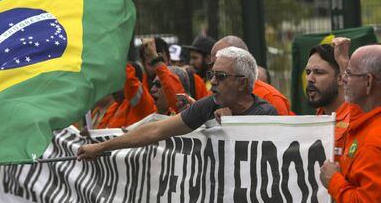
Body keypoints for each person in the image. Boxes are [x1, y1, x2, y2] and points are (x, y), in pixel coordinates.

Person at [77, 46, 277, 159]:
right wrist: (100, 148)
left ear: (242, 83)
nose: (213, 81)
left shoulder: (267, 115)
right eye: (211, 75)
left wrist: (233, 128)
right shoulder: (210, 105)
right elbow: (154, 131)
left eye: (221, 76)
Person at [320, 44, 381, 203]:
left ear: (369, 82)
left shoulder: (373, 141)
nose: (343, 78)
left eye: (349, 73)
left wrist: (334, 181)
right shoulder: (364, 120)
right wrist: (344, 62)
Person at [210, 35, 293, 115]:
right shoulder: (214, 96)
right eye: (212, 67)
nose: (212, 81)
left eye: (221, 75)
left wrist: (229, 123)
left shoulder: (271, 98)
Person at [305, 42, 349, 161]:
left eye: (318, 72)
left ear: (340, 78)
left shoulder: (355, 120)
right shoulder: (318, 117)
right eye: (308, 72)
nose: (310, 79)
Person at [140, 37, 208, 100]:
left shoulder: (193, 81)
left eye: (162, 62)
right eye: (151, 64)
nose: (157, 68)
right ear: (143, 64)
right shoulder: (139, 88)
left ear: (169, 60)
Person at [97, 63, 156, 128]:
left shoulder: (142, 104)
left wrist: (119, 58)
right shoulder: (114, 107)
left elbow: (129, 79)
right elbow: (101, 132)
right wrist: (90, 134)